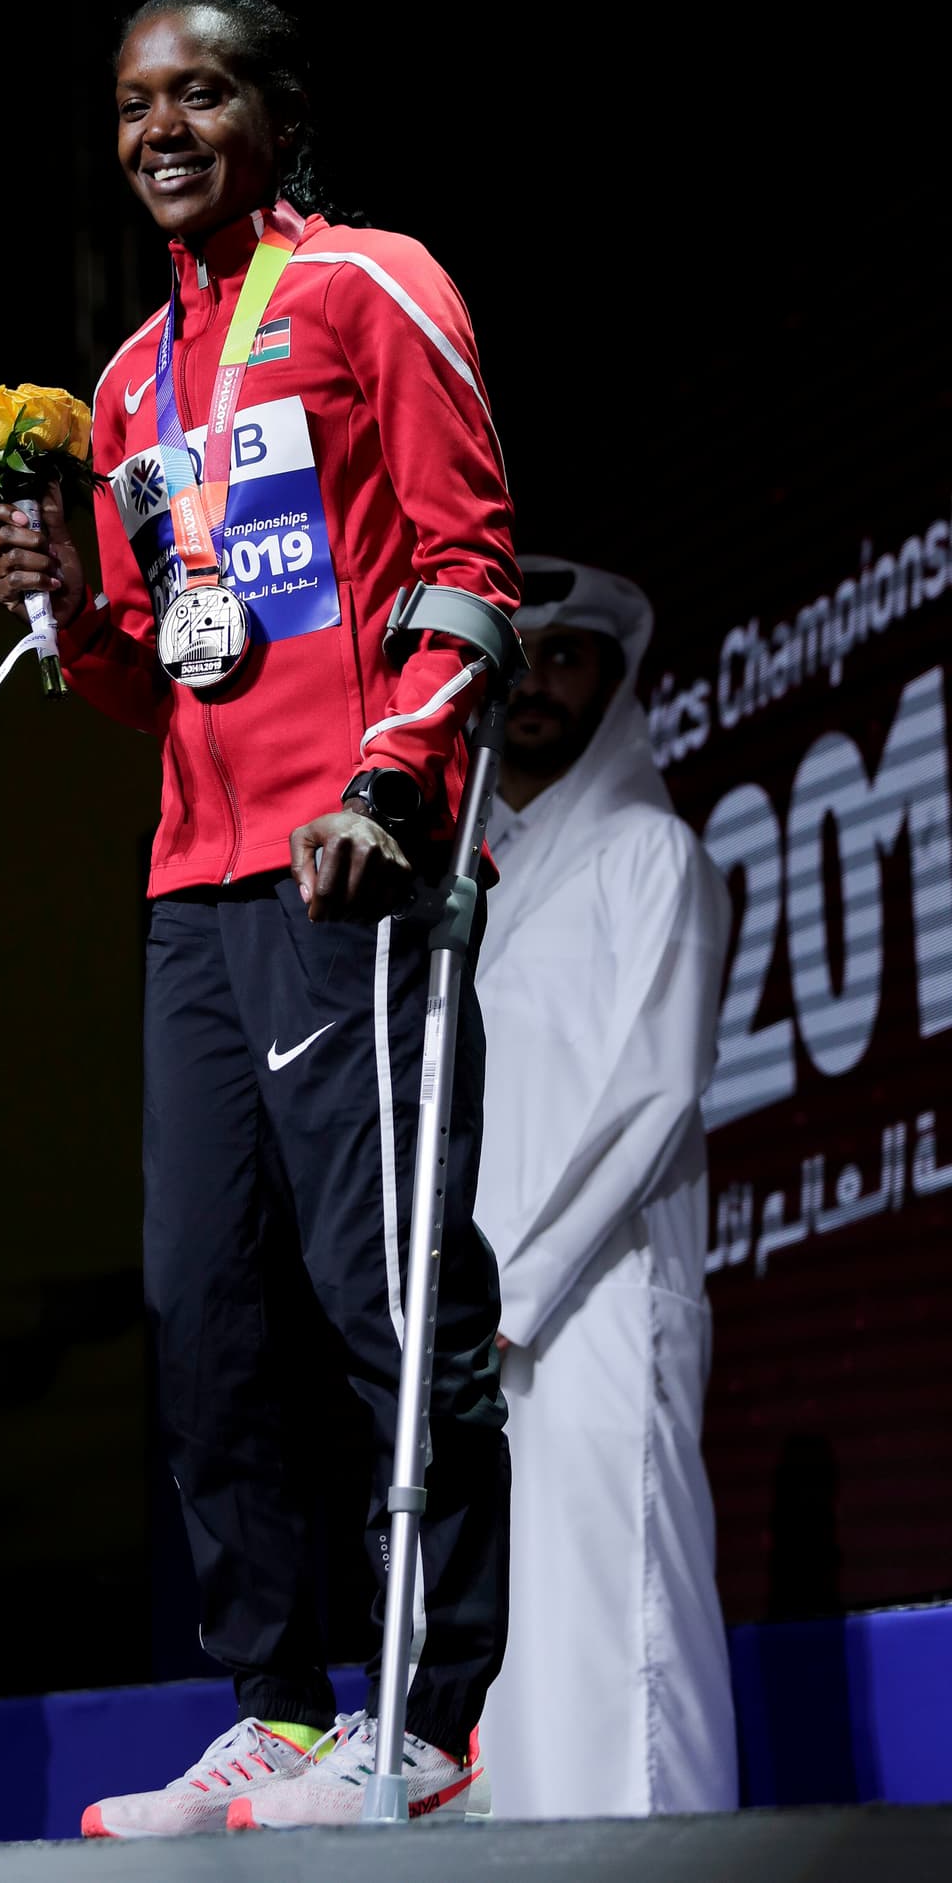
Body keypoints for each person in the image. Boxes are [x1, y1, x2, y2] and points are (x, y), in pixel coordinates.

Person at [0, 0, 521, 1837]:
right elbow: (165, 670)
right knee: (201, 1305)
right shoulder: (132, 380)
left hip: (351, 860)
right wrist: (67, 611)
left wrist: (393, 782)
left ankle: (427, 1710)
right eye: (137, 103)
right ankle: (279, 1708)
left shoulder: (374, 285)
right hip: (195, 888)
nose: (163, 129)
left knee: (386, 1290)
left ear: (279, 114)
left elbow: (468, 568)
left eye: (201, 93)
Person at [471, 556, 741, 1820]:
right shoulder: (471, 887)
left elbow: (653, 1090)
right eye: (518, 654)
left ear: (615, 684)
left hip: (597, 1312)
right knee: (505, 1663)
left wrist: (513, 1292)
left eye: (568, 656)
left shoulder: (653, 854)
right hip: (476, 1332)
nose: (535, 680)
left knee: (616, 1640)